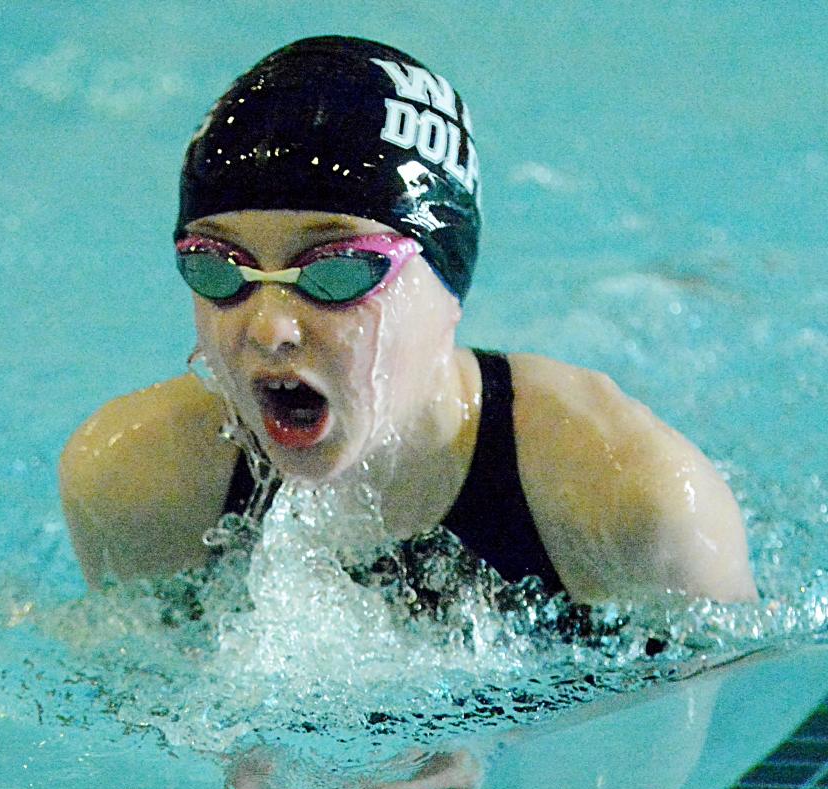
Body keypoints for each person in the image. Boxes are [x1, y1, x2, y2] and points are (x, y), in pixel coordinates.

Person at [60, 35, 758, 602]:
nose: (268, 327)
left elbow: (728, 751)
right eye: (219, 268)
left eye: (335, 270)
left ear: (448, 281)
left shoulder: (636, 506)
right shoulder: (132, 484)